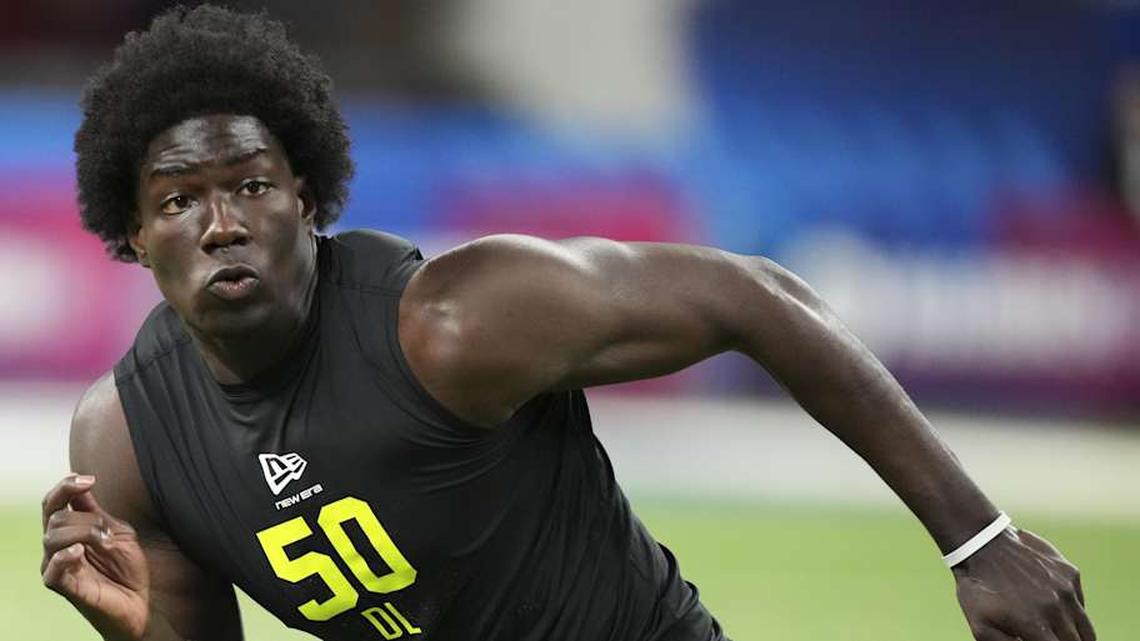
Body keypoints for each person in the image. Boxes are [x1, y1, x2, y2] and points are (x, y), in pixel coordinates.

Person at [40, 6, 1094, 641]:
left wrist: (981, 538)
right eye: (180, 201)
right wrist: (131, 631)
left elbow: (754, 295)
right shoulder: (128, 440)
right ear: (130, 236)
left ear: (309, 198)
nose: (223, 222)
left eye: (254, 186)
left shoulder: (450, 322)